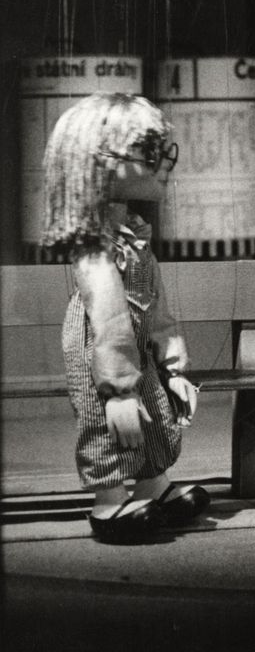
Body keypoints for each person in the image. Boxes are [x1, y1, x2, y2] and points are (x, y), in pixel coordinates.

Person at [41, 92, 209, 543]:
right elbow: (108, 316)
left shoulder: (133, 234)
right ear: (97, 162)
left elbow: (156, 303)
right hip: (102, 347)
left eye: (162, 151)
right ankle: (110, 501)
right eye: (148, 152)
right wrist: (116, 388)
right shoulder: (96, 248)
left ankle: (153, 484)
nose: (162, 163)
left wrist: (173, 367)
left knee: (154, 410)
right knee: (108, 420)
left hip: (135, 343)